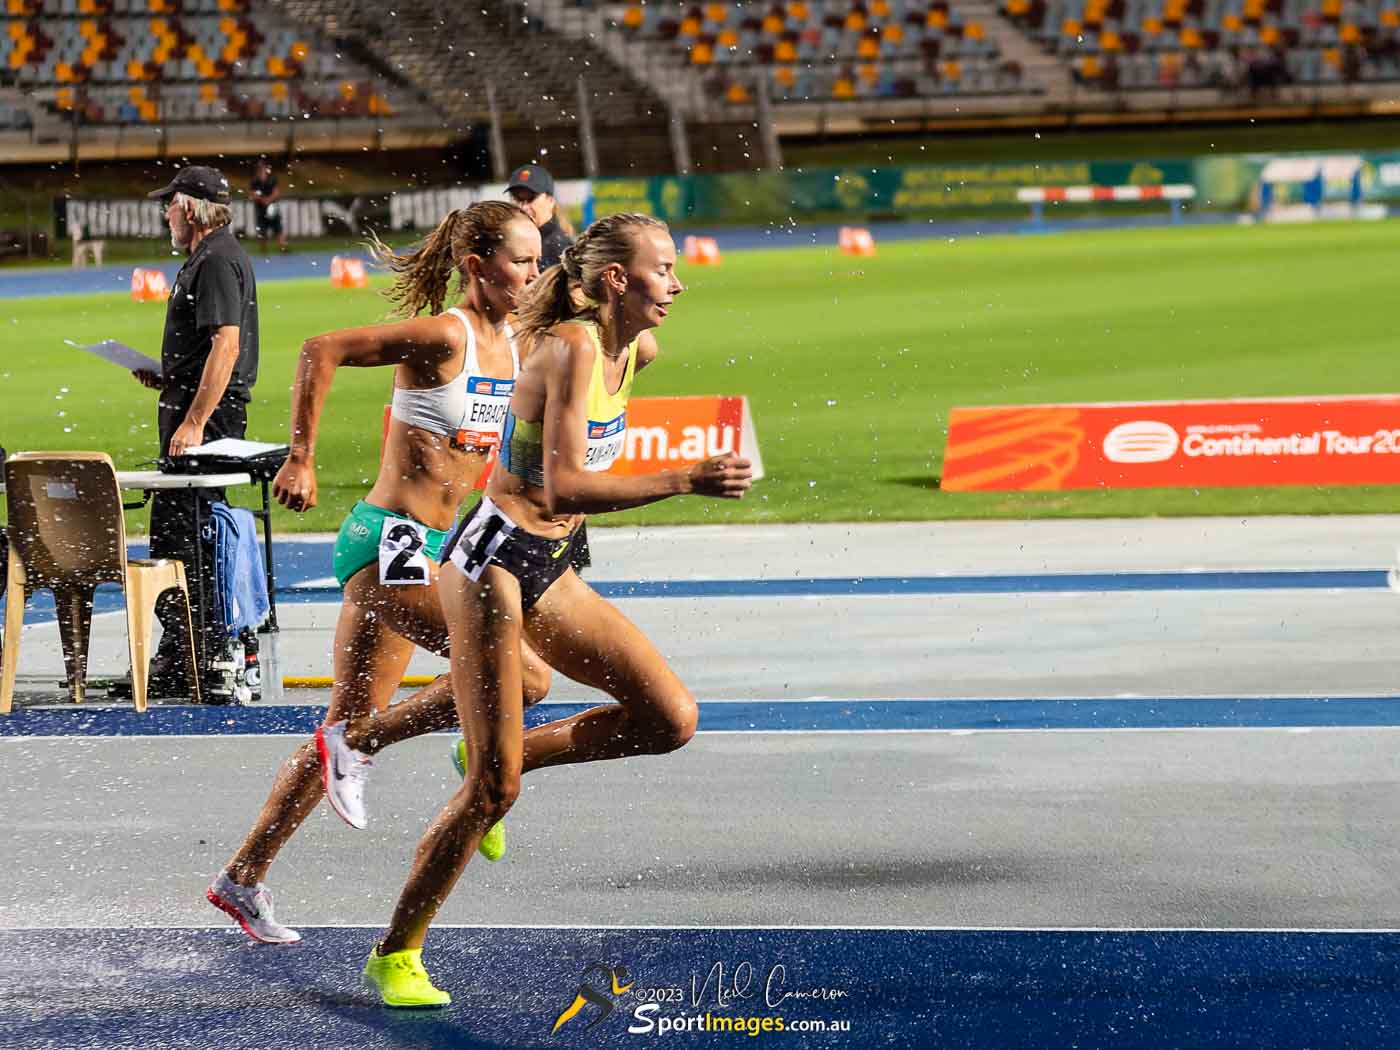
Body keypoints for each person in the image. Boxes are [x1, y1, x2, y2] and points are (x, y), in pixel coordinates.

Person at [350, 212, 752, 1007]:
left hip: (553, 561)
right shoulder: (568, 347)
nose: (676, 283)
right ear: (614, 280)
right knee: (496, 796)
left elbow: (573, 476)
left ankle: (498, 754)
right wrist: (684, 478)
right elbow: (565, 486)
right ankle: (396, 954)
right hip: (491, 564)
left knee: (669, 718)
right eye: (661, 270)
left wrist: (578, 260)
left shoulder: (630, 345)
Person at [206, 201, 550, 944]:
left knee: (344, 719)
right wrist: (301, 455)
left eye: (537, 257)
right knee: (521, 681)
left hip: (432, 546)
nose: (532, 272)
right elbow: (319, 347)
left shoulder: (517, 342)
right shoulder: (441, 335)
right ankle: (361, 748)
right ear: (476, 266)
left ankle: (242, 876)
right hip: (385, 542)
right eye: (520, 259)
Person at [133, 165, 258, 699]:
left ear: (188, 206)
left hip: (208, 418)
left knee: (187, 533)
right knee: (179, 531)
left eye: (168, 205)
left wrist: (194, 421)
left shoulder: (214, 259)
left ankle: (199, 650)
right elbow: (212, 348)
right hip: (198, 405)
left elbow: (226, 346)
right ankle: (187, 647)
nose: (165, 215)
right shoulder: (212, 257)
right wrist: (169, 376)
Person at [506, 163, 572, 270]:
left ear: (550, 201)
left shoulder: (562, 250)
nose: (523, 207)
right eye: (517, 199)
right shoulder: (509, 243)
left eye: (531, 198)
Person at [249, 158, 288, 256]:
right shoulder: (255, 181)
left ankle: (282, 248)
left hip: (272, 208)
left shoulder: (272, 179)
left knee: (278, 228)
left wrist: (268, 200)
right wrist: (262, 200)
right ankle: (264, 250)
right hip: (261, 209)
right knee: (262, 230)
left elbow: (276, 192)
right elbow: (252, 194)